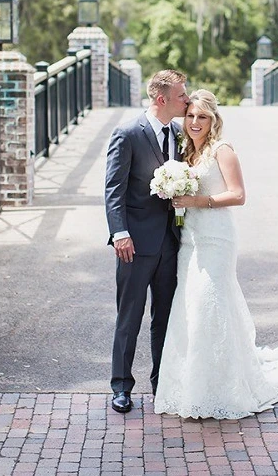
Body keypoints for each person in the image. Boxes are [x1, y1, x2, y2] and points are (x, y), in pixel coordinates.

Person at [155, 89, 278, 419]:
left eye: (202, 117)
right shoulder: (185, 153)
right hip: (190, 240)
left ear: (214, 120)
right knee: (190, 308)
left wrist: (198, 202)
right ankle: (191, 386)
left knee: (212, 304)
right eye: (191, 115)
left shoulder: (222, 150)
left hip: (216, 238)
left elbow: (238, 195)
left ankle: (222, 387)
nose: (195, 122)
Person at [104, 69, 190, 413]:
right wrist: (119, 233)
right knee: (129, 316)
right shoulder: (127, 133)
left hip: (171, 242)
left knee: (165, 317)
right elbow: (113, 189)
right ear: (162, 99)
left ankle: (162, 383)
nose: (187, 99)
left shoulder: (181, 134)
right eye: (182, 95)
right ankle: (121, 386)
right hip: (135, 243)